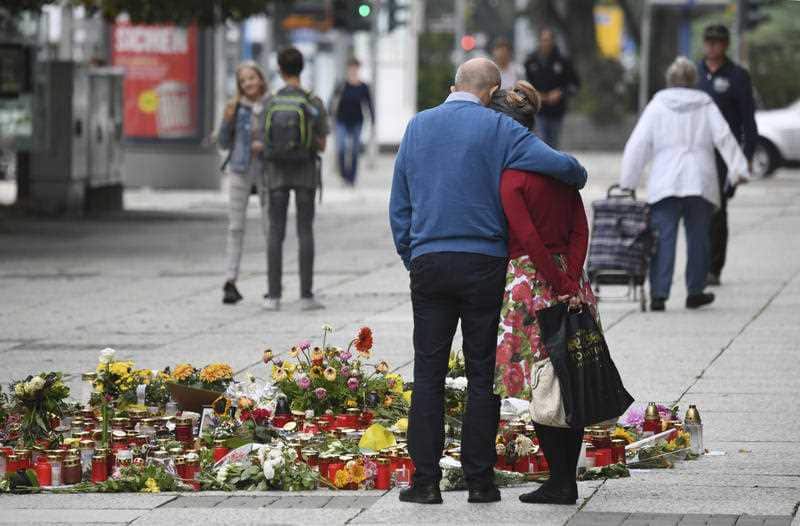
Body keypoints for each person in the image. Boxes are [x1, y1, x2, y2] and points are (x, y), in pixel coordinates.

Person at [389, 57, 587, 505]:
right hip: (483, 264)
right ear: (492, 90)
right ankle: (480, 482)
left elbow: (399, 202)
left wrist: (411, 255)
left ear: (454, 84)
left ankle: (424, 483)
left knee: (428, 372)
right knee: (482, 375)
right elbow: (569, 170)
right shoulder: (501, 130)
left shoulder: (418, 126)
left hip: (430, 263)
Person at [488, 80, 597, 505]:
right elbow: (580, 227)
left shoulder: (511, 178)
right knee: (570, 377)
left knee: (542, 384)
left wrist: (553, 281)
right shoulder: (561, 170)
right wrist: (572, 278)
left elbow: (527, 238)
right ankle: (566, 477)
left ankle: (559, 482)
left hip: (529, 285)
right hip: (571, 279)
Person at [620, 57, 749, 311]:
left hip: (665, 181)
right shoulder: (705, 103)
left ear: (670, 81)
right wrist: (738, 169)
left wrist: (629, 180)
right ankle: (695, 291)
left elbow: (638, 144)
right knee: (699, 238)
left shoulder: (658, 105)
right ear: (694, 81)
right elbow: (724, 136)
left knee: (662, 238)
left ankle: (659, 294)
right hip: (700, 180)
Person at [263, 47, 329, 312]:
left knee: (275, 232)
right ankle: (305, 296)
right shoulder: (313, 101)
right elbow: (322, 144)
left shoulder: (271, 101)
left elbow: (264, 139)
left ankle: (274, 297)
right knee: (304, 231)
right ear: (302, 68)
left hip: (276, 172)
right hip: (305, 171)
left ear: (280, 69)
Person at [696, 24, 758, 286]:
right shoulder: (694, 73)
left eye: (717, 42)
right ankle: (697, 264)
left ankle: (714, 268)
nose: (712, 46)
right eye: (708, 41)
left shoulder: (737, 76)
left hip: (724, 155)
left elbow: (748, 121)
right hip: (697, 152)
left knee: (718, 210)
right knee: (696, 211)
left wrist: (745, 158)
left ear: (725, 45)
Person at [217, 60, 270, 305]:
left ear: (260, 78)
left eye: (252, 77)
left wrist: (265, 145)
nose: (249, 83)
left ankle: (273, 283)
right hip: (239, 169)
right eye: (243, 80)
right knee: (235, 227)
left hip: (267, 169)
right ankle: (230, 281)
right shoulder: (235, 107)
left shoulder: (272, 104)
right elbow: (223, 141)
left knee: (270, 227)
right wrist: (229, 123)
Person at [523, 28, 580, 148]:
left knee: (554, 142)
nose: (546, 43)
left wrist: (561, 92)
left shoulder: (563, 61)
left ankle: (552, 164)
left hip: (557, 110)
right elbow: (525, 84)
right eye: (543, 40)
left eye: (548, 40)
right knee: (541, 140)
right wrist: (535, 94)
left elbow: (574, 84)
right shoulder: (531, 60)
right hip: (538, 109)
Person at [330, 58, 374, 186]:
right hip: (341, 120)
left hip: (357, 121)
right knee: (341, 148)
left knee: (354, 150)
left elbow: (369, 103)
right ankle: (344, 175)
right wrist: (329, 115)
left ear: (358, 69)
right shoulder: (341, 85)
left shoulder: (363, 87)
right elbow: (332, 101)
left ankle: (352, 178)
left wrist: (372, 118)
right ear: (348, 69)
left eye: (355, 68)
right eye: (351, 68)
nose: (353, 70)